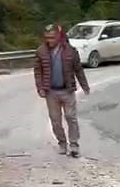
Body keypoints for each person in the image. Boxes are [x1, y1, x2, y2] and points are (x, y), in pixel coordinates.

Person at [34, 23, 90, 157]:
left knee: (71, 117)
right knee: (55, 120)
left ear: (59, 36)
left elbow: (78, 70)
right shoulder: (41, 51)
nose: (49, 41)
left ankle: (74, 145)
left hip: (67, 90)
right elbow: (38, 71)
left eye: (52, 37)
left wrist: (84, 86)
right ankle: (62, 143)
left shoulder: (70, 50)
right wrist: (40, 88)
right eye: (47, 38)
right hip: (51, 92)